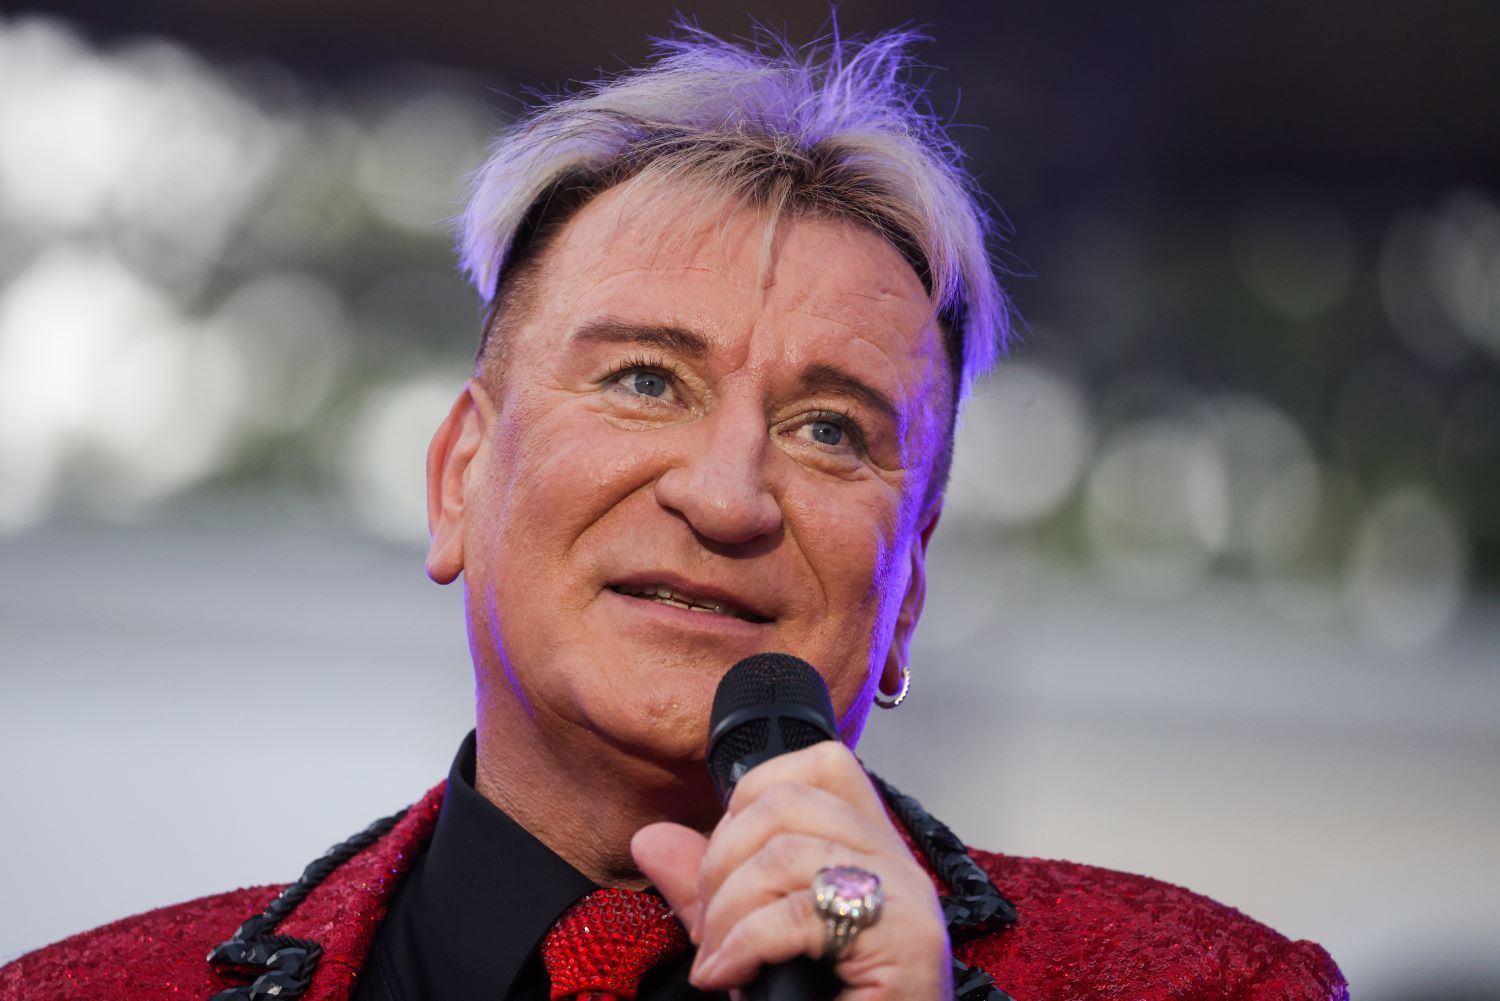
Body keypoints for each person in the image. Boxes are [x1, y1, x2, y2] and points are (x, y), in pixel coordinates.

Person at [0, 25, 1348, 1001]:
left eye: (832, 429)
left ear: (910, 589)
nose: (727, 495)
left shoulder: (1215, 985)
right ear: (459, 477)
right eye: (646, 379)